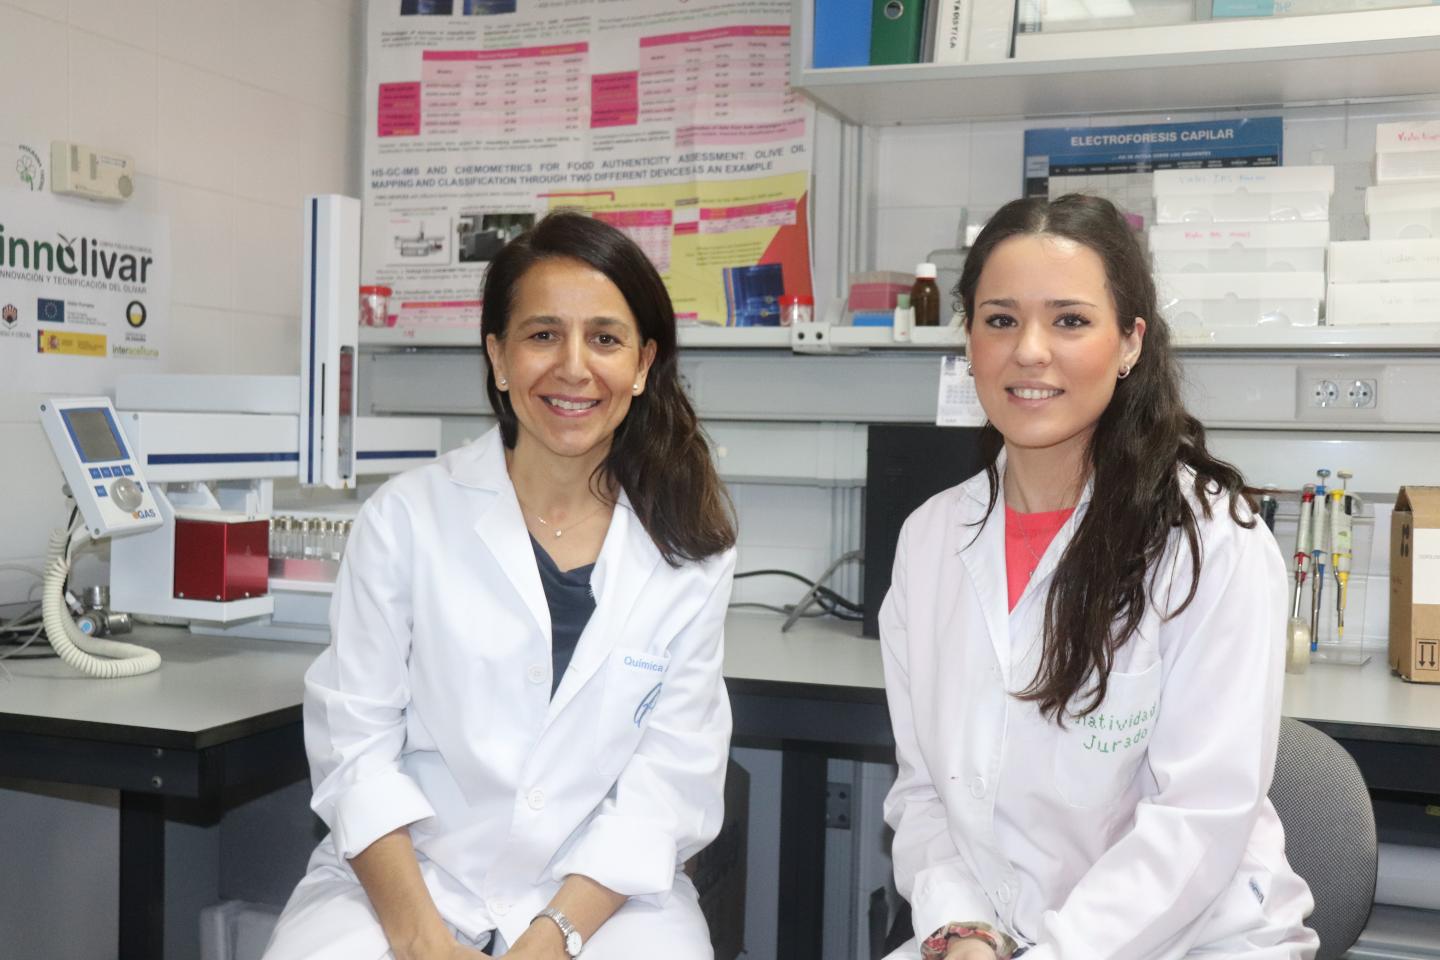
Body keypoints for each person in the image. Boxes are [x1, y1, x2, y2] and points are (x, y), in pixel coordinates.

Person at [264, 212, 737, 960]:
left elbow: (670, 784)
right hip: (412, 877)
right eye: (543, 334)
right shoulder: (405, 519)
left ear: (644, 364)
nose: (574, 367)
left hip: (602, 897)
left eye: (605, 339)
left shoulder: (690, 549)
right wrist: (422, 941)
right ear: (498, 356)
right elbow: (355, 749)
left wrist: (552, 937)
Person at [879, 194, 1318, 960]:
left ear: (1129, 343)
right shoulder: (929, 540)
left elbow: (1198, 820)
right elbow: (923, 793)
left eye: (1071, 320)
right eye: (1001, 319)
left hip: (1187, 942)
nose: (1030, 351)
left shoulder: (1213, 543)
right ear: (969, 338)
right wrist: (966, 928)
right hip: (997, 933)